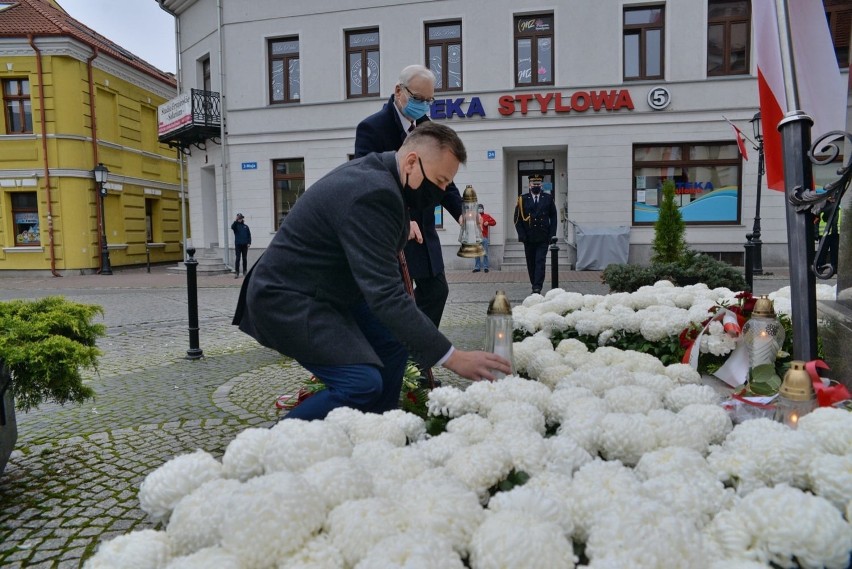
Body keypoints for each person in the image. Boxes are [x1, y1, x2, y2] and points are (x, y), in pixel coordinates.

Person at [233, 122, 511, 421]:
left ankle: (381, 429)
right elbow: (386, 296)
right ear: (411, 162)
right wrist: (453, 358)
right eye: (440, 181)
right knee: (360, 383)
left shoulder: (385, 177)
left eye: (447, 184)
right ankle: (271, 452)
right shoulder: (375, 191)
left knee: (393, 339)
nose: (442, 192)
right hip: (286, 298)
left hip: (330, 289)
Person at [355, 64, 463, 329]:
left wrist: (463, 214)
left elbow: (444, 181)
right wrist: (401, 219)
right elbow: (368, 182)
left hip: (424, 232)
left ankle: (418, 356)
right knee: (396, 300)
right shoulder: (372, 128)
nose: (423, 106)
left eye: (429, 101)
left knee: (437, 292)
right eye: (417, 99)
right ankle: (397, 360)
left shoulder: (429, 129)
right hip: (392, 233)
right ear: (398, 91)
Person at [514, 174, 557, 294]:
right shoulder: (523, 199)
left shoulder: (548, 198)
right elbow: (517, 219)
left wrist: (552, 235)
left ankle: (537, 287)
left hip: (543, 236)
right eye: (534, 184)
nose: (536, 186)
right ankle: (534, 282)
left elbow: (553, 217)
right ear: (529, 185)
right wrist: (522, 235)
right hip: (528, 237)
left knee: (540, 261)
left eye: (538, 184)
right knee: (531, 262)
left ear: (541, 185)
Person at [473, 204, 496, 273]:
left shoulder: (486, 216)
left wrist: (488, 222)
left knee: (485, 253)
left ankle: (486, 267)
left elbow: (494, 222)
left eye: (481, 208)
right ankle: (477, 267)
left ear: (483, 209)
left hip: (484, 237)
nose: (480, 209)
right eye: (479, 208)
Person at [231, 213, 251, 278]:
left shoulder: (246, 226)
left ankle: (245, 271)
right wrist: (236, 220)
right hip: (238, 245)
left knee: (244, 258)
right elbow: (232, 227)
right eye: (239, 218)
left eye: (241, 218)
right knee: (238, 258)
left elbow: (249, 235)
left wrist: (249, 243)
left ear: (242, 218)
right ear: (237, 219)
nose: (240, 219)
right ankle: (237, 272)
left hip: (245, 245)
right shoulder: (235, 226)